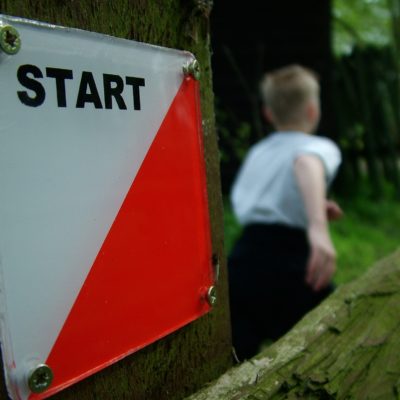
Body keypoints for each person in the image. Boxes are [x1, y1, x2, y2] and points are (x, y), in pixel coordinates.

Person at [228, 64, 342, 361]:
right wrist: (318, 228)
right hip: (292, 263)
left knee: (236, 360)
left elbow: (267, 197)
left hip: (243, 261)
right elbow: (306, 164)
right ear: (313, 111)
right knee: (328, 345)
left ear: (268, 113)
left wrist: (312, 206)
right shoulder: (317, 146)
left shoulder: (258, 152)